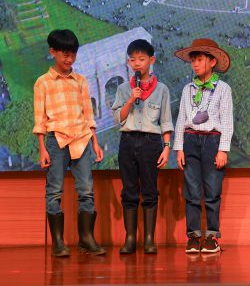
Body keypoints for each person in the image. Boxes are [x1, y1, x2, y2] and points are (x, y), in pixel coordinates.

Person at [33, 29, 105, 257]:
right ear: (53, 52)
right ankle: (58, 242)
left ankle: (86, 238)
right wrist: (42, 148)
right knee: (54, 190)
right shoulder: (43, 83)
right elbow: (39, 120)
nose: (69, 59)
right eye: (65, 54)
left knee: (86, 190)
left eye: (73, 54)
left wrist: (95, 143)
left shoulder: (80, 81)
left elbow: (88, 115)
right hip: (56, 140)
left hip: (82, 139)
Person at [112, 39, 173, 254]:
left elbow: (166, 121)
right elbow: (118, 118)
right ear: (128, 62)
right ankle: (130, 238)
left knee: (149, 191)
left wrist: (167, 147)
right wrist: (131, 100)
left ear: (151, 60)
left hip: (150, 143)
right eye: (132, 60)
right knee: (129, 191)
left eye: (141, 59)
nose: (137, 63)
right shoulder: (123, 88)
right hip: (128, 142)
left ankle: (149, 239)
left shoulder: (162, 89)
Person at [174, 38, 233, 253]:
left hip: (212, 141)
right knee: (191, 191)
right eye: (193, 61)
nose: (195, 64)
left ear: (212, 61)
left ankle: (212, 237)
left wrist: (223, 149)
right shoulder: (188, 89)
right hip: (190, 140)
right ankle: (193, 236)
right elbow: (181, 118)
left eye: (199, 60)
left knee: (212, 190)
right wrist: (179, 148)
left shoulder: (223, 89)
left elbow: (227, 120)